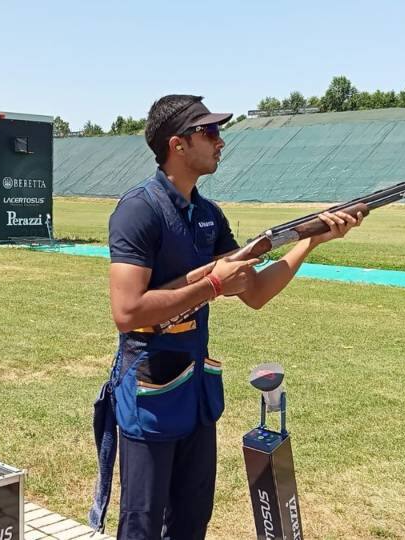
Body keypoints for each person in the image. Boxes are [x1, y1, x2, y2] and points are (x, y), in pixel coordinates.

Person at [98, 94, 363, 539]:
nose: (221, 141)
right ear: (177, 144)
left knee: (191, 520)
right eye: (211, 132)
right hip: (148, 393)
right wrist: (214, 284)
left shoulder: (208, 215)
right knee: (142, 525)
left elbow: (256, 292)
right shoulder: (139, 210)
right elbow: (127, 312)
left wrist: (311, 241)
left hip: (196, 396)